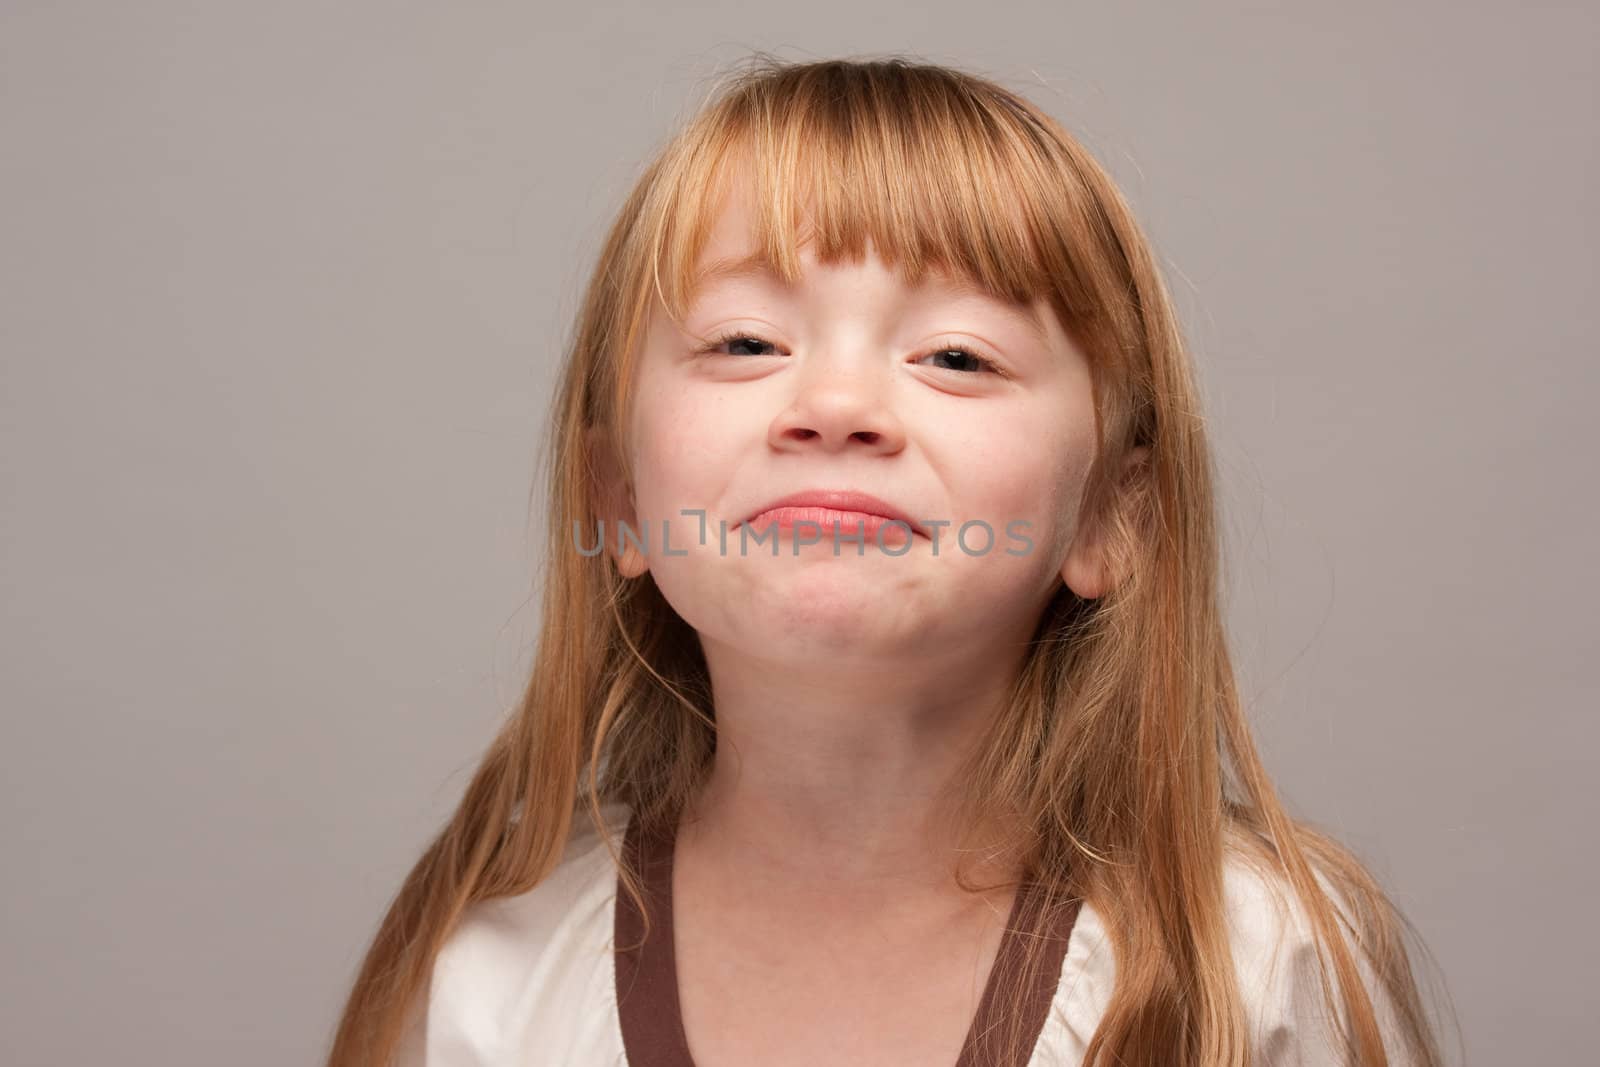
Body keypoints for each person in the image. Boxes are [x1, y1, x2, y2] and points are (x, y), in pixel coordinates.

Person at [326, 55, 1450, 1067]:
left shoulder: (1253, 968)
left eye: (956, 355)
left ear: (1114, 514)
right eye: (745, 343)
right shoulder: (493, 979)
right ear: (617, 496)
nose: (835, 406)